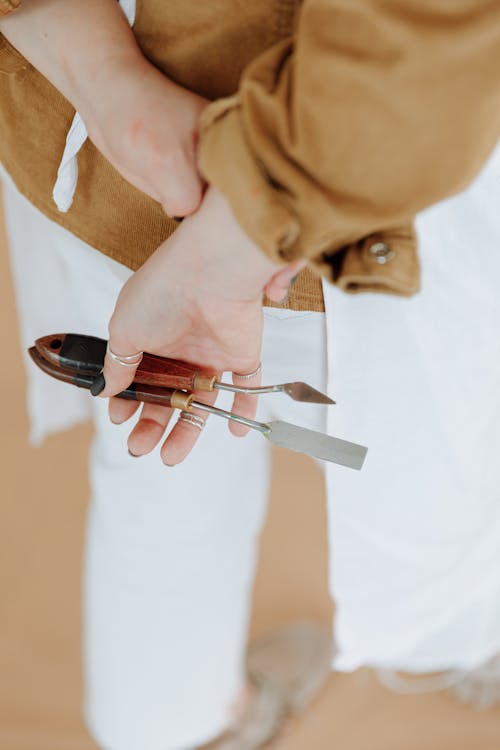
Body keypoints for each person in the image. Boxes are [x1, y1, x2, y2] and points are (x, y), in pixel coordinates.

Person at [1, 1, 500, 748]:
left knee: (162, 469)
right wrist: (246, 224)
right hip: (347, 226)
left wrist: (107, 81)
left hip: (104, 155)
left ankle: (171, 726)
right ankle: (461, 639)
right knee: (448, 456)